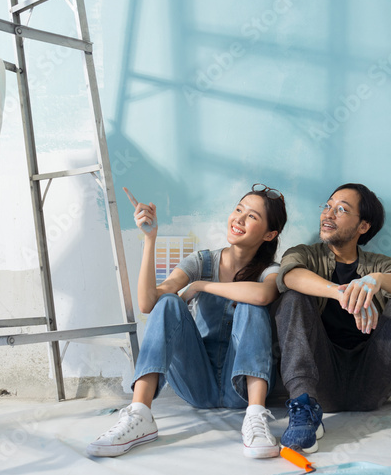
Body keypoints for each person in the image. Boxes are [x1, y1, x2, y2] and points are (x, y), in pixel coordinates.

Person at [86, 184, 287, 459]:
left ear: (269, 234)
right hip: (197, 381)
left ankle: (255, 417)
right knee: (168, 301)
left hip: (241, 387)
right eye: (238, 210)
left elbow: (264, 295)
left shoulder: (271, 270)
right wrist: (149, 239)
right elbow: (148, 303)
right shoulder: (202, 260)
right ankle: (139, 415)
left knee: (252, 304)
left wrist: (202, 285)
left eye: (252, 216)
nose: (239, 219)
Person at [274, 183, 391, 454]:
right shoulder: (305, 255)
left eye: (341, 209)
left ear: (363, 226)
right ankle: (304, 407)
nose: (328, 214)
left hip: (371, 381)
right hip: (320, 381)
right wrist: (340, 293)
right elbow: (288, 275)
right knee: (293, 297)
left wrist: (376, 280)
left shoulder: (378, 263)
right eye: (327, 206)